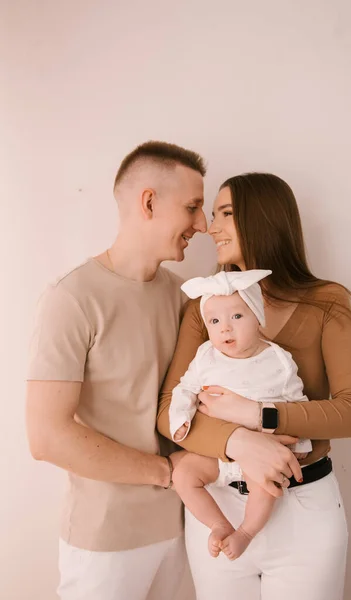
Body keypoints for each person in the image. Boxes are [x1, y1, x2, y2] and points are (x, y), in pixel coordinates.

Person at [157, 172, 351, 600]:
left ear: (265, 218)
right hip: (217, 501)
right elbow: (170, 410)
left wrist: (259, 416)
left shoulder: (327, 302)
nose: (210, 227)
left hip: (305, 509)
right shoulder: (206, 309)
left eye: (226, 214)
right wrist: (239, 441)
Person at [25, 140, 210, 600]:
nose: (202, 225)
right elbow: (46, 437)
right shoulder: (71, 299)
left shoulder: (187, 298)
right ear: (149, 201)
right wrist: (168, 472)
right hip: (104, 544)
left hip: (181, 529)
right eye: (192, 207)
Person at [169, 269, 312, 561]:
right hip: (215, 455)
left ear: (258, 319)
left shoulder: (278, 360)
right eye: (215, 321)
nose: (225, 329)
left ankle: (245, 532)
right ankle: (218, 524)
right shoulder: (205, 356)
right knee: (183, 474)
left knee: (265, 485)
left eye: (236, 317)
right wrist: (181, 418)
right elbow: (185, 388)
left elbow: (298, 403)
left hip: (261, 455)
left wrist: (301, 445)